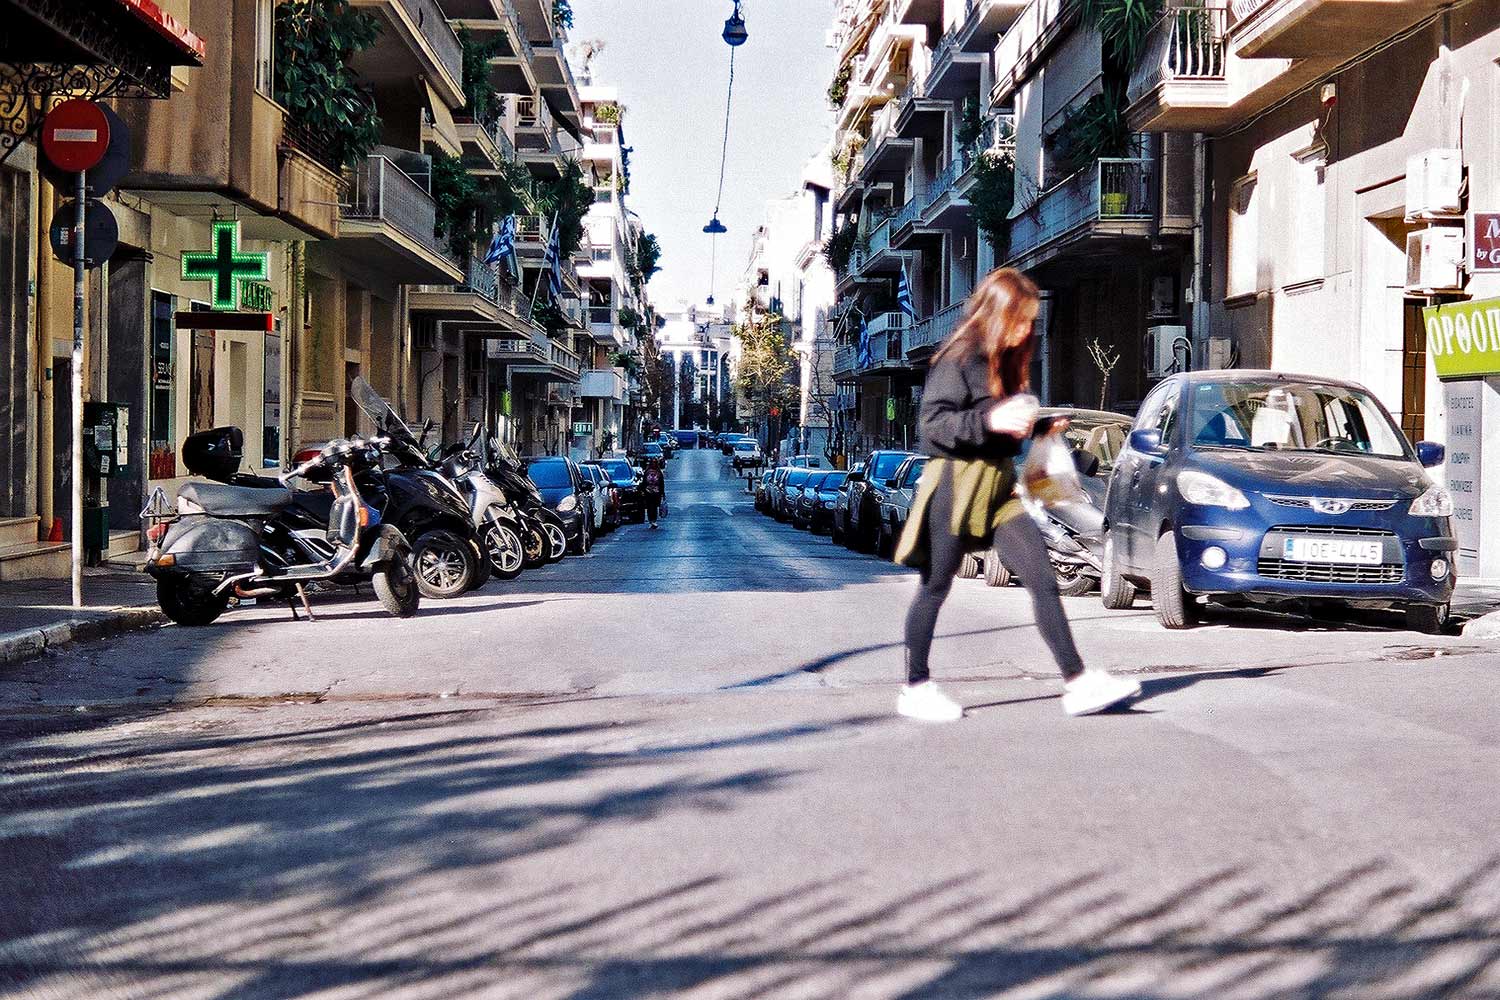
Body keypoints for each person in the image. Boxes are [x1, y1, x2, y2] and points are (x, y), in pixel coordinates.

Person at [892, 268, 1140, 722]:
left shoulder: (1004, 364)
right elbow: (932, 426)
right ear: (997, 314)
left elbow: (1000, 429)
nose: (1027, 330)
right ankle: (916, 687)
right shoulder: (959, 357)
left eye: (1030, 321)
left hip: (1000, 488)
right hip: (955, 484)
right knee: (935, 587)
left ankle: (1078, 683)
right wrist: (989, 421)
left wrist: (1038, 427)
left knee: (1042, 579)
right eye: (1020, 320)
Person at [642, 458, 665, 529]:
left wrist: (662, 493)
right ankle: (651, 521)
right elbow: (644, 482)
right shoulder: (647, 472)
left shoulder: (658, 472)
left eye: (655, 462)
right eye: (653, 462)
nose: (654, 464)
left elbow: (661, 483)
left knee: (654, 507)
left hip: (656, 492)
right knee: (650, 507)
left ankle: (653, 520)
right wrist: (643, 491)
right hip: (648, 492)